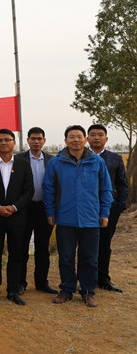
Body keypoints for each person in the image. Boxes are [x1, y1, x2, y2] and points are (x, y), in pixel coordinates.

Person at [44, 125, 113, 307]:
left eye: (79, 136)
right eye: (71, 137)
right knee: (66, 257)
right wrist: (50, 212)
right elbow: (48, 189)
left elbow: (106, 189)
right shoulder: (56, 163)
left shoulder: (97, 162)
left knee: (89, 258)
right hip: (65, 218)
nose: (76, 140)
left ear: (85, 139)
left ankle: (88, 291)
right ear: (65, 140)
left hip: (91, 218)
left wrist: (104, 213)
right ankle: (66, 290)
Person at [0, 129, 34, 306]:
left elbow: (29, 190)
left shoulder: (23, 164)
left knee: (16, 254)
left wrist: (14, 207)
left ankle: (13, 290)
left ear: (13, 142)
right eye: (0, 140)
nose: (4, 143)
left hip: (17, 217)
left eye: (7, 140)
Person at [88, 124, 129, 293]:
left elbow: (122, 183)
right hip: (86, 207)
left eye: (100, 134)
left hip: (110, 207)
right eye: (93, 134)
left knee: (105, 244)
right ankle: (85, 278)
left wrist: (120, 205)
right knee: (86, 244)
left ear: (106, 138)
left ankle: (103, 279)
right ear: (87, 138)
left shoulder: (115, 158)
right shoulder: (81, 156)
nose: (96, 137)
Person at [16, 127, 58, 294]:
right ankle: (20, 282)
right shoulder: (18, 159)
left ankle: (41, 282)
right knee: (21, 247)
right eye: (33, 138)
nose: (36, 141)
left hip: (44, 209)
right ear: (28, 140)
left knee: (42, 248)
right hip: (24, 209)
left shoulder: (52, 160)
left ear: (44, 141)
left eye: (39, 138)